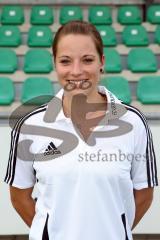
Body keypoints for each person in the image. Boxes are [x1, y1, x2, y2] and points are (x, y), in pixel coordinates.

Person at [4, 20, 158, 240]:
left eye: (87, 60)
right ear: (55, 64)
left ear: (101, 62)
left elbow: (143, 194)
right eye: (65, 61)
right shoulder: (30, 126)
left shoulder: (133, 122)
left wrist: (113, 229)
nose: (76, 71)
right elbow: (19, 196)